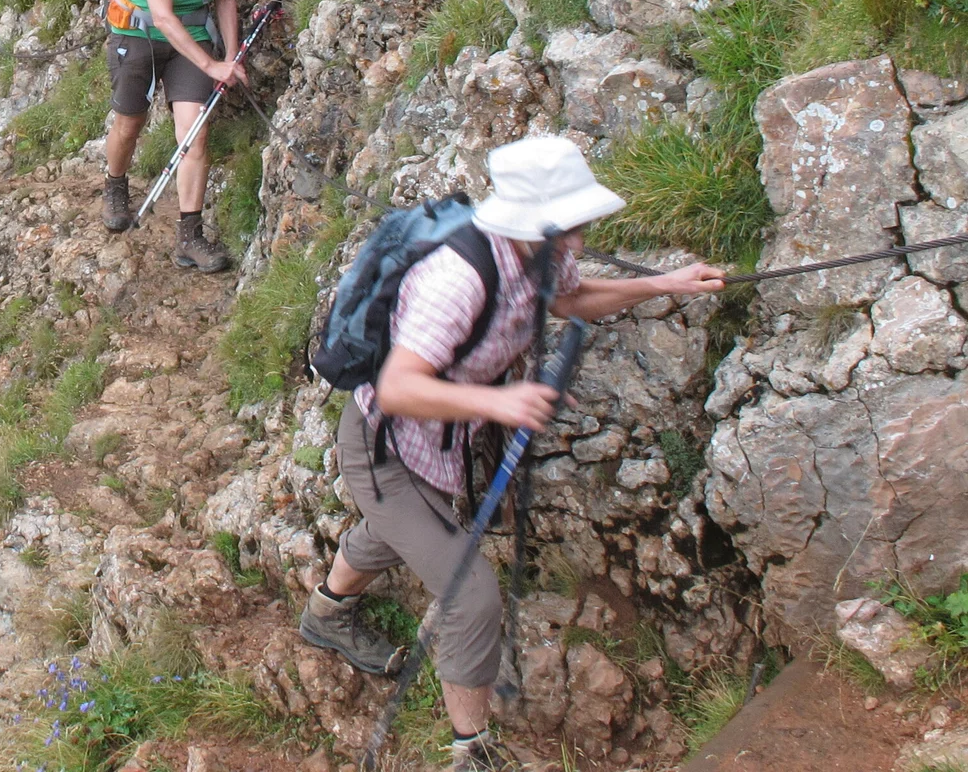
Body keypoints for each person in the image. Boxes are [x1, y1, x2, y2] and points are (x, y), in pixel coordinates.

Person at [297, 136, 725, 772]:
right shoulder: (457, 279)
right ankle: (472, 751)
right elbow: (397, 386)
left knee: (396, 536)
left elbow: (569, 300)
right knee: (471, 594)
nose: (579, 237)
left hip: (434, 445)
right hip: (384, 450)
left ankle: (326, 616)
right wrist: (502, 405)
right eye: (571, 224)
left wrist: (665, 284)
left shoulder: (539, 251)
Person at [102, 0, 252, 272]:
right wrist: (212, 65)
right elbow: (163, 15)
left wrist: (232, 56)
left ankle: (190, 236)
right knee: (129, 124)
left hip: (195, 35)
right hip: (139, 33)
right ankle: (115, 185)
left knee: (195, 133)